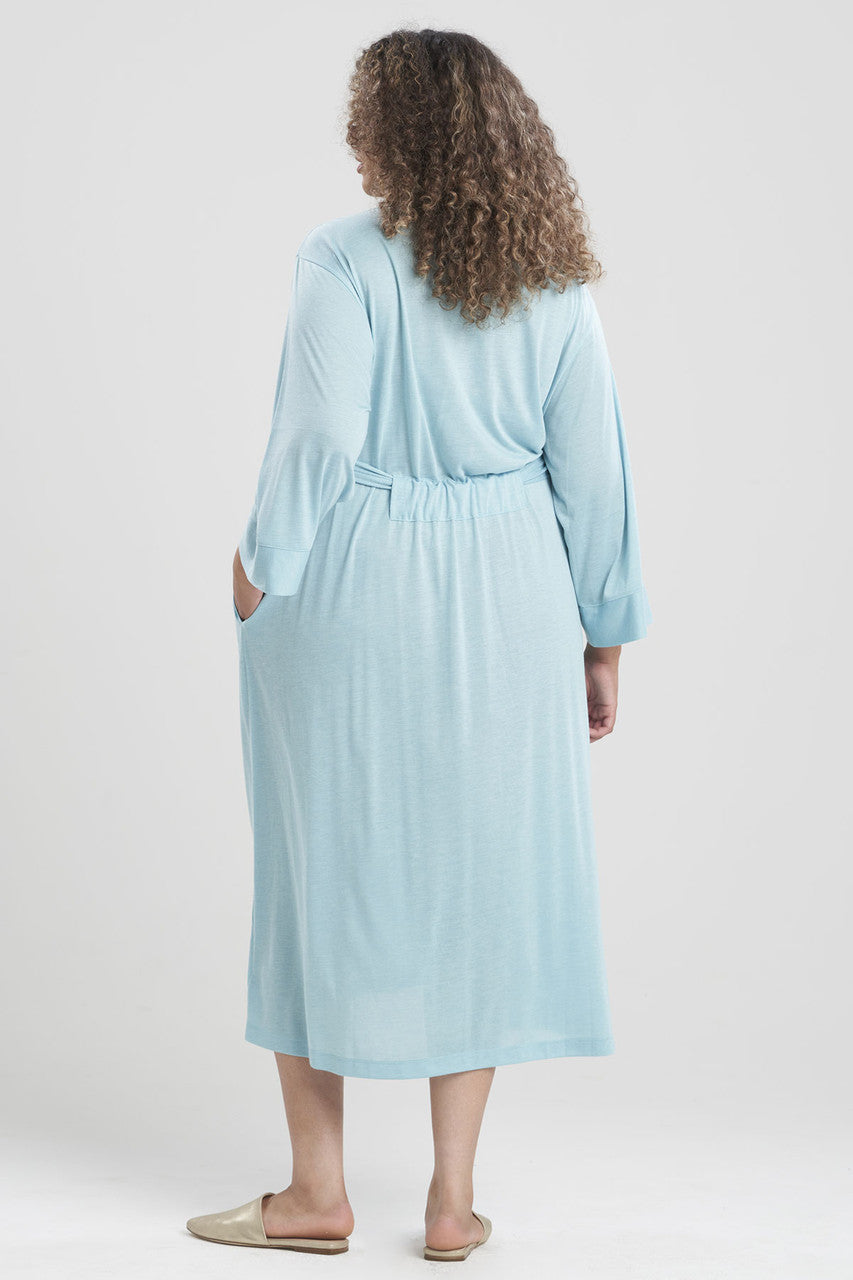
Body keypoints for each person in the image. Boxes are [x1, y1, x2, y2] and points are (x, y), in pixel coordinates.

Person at [186, 26, 652, 1263]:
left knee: (315, 866)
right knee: (480, 883)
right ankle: (450, 1201)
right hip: (510, 595)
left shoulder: (342, 260)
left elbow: (317, 437)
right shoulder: (552, 280)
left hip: (347, 585)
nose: (353, 145)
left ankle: (315, 1190)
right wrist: (604, 630)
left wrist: (256, 567)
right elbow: (594, 470)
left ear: (395, 134)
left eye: (366, 122)